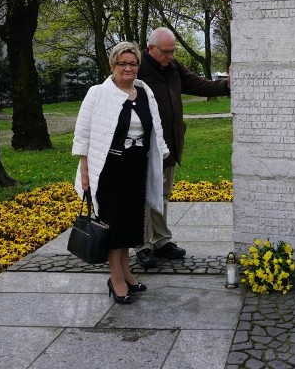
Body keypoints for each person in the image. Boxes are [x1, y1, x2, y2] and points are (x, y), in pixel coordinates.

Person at [73, 42, 169, 304]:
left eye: (133, 63)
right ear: (113, 66)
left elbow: (156, 132)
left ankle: (126, 271)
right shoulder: (98, 93)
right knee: (112, 227)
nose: (128, 68)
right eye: (122, 64)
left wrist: (158, 166)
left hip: (136, 167)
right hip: (109, 169)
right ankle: (115, 278)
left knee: (129, 224)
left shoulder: (144, 92)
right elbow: (82, 136)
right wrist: (85, 173)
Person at [134, 27, 231, 268]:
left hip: (169, 145)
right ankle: (143, 245)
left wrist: (227, 86)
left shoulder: (173, 67)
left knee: (163, 194)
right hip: (144, 146)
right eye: (165, 52)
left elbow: (199, 85)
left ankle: (161, 240)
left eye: (172, 51)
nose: (169, 56)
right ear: (151, 49)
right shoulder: (137, 68)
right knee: (144, 196)